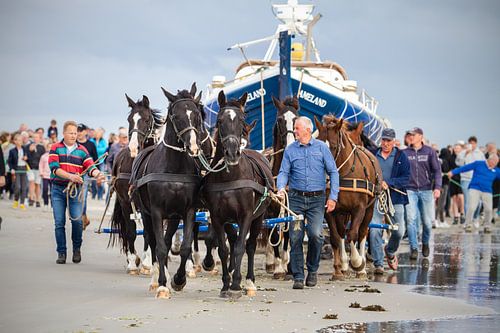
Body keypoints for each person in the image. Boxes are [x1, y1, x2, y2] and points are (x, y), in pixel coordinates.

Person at [277, 116, 339, 289]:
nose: (294, 131)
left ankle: (312, 270)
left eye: (297, 128)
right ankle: (298, 276)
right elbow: (283, 172)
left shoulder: (321, 148)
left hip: (316, 200)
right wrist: (281, 187)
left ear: (307, 130)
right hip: (295, 199)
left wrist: (333, 197)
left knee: (316, 235)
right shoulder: (290, 150)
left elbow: (333, 172)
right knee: (295, 237)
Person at [49, 121, 105, 264]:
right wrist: (70, 176)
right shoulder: (55, 148)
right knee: (59, 222)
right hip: (57, 189)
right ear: (64, 133)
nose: (74, 135)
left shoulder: (82, 150)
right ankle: (61, 252)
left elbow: (90, 166)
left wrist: (98, 174)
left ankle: (76, 249)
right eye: (71, 133)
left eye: (75, 133)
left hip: (76, 191)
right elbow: (54, 168)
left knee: (77, 221)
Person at [369, 128, 410, 274]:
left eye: (388, 141)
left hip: (396, 198)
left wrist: (390, 183)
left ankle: (390, 251)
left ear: (394, 141)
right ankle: (378, 263)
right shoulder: (373, 154)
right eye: (384, 140)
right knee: (374, 230)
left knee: (399, 231)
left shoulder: (401, 156)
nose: (385, 143)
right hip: (376, 197)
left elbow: (406, 178)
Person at [403, 127, 442, 260]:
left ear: (420, 136)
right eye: (409, 135)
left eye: (413, 135)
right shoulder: (405, 153)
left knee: (426, 222)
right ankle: (413, 248)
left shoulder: (429, 151)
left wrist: (437, 187)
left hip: (426, 190)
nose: (411, 137)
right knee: (411, 219)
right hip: (410, 190)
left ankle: (425, 243)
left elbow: (437, 171)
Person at [448, 154, 500, 233]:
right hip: (475, 188)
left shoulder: (496, 170)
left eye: (497, 162)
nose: (495, 164)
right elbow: (465, 167)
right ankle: (468, 224)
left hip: (487, 190)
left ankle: (487, 225)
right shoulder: (478, 163)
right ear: (490, 160)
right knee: (472, 207)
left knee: (489, 209)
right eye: (494, 162)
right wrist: (453, 172)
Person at [456, 136, 485, 215]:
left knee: (478, 202)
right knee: (467, 201)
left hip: (477, 179)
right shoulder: (463, 152)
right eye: (470, 143)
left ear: (476, 144)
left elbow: (484, 166)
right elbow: (459, 164)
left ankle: (475, 218)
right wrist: (465, 154)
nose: (472, 145)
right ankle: (468, 221)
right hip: (465, 179)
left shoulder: (480, 154)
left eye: (473, 143)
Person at [77, 124, 98, 229]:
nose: (79, 133)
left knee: (83, 196)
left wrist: (94, 172)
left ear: (86, 132)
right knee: (74, 197)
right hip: (73, 173)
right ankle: (82, 217)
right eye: (77, 131)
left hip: (85, 174)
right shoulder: (74, 144)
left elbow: (95, 159)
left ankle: (82, 217)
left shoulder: (91, 145)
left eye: (81, 130)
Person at [7, 133, 29, 210]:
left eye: (21, 140)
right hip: (16, 169)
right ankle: (16, 200)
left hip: (24, 169)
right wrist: (11, 169)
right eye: (18, 140)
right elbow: (9, 161)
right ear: (15, 141)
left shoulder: (25, 149)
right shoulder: (12, 151)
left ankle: (22, 203)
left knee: (24, 187)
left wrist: (26, 158)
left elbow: (28, 158)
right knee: (17, 187)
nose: (20, 141)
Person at [25, 132, 45, 207]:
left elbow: (43, 158)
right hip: (30, 168)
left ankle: (37, 200)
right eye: (34, 137)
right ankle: (31, 198)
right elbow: (26, 157)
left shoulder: (41, 147)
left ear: (40, 139)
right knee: (31, 182)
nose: (35, 139)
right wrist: (30, 151)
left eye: (37, 137)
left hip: (38, 168)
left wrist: (42, 169)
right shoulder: (27, 146)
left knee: (37, 184)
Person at [89, 127, 108, 200]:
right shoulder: (91, 141)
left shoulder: (103, 141)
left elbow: (104, 150)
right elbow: (90, 150)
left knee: (101, 179)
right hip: (92, 162)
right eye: (98, 133)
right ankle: (94, 194)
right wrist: (97, 150)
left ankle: (100, 195)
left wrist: (95, 149)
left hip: (101, 162)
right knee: (93, 180)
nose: (99, 135)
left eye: (101, 134)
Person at [449, 143, 465, 224]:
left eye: (458, 148)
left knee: (461, 197)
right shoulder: (451, 158)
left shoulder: (463, 157)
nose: (456, 150)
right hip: (452, 179)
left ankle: (462, 213)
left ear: (461, 149)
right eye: (455, 148)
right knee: (454, 198)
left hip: (461, 179)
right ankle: (456, 216)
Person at [39, 141, 52, 211]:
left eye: (51, 147)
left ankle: (52, 205)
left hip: (53, 176)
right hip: (45, 176)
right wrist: (41, 172)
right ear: (46, 148)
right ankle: (45, 204)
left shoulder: (55, 156)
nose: (50, 148)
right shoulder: (43, 156)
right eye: (49, 147)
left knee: (53, 191)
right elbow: (40, 165)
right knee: (45, 190)